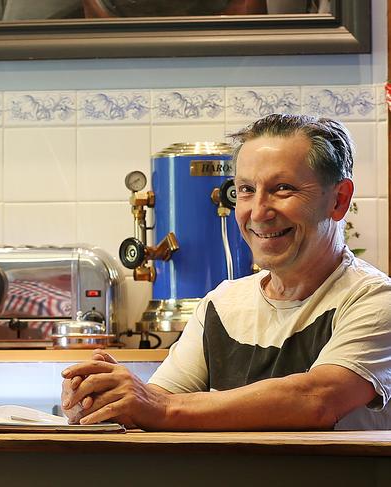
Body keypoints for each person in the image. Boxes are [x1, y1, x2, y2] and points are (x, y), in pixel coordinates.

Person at [61, 113, 391, 431]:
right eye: (246, 190)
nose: (258, 212)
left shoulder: (374, 300)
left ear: (338, 200)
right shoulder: (222, 304)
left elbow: (318, 399)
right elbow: (159, 401)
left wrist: (157, 407)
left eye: (283, 188)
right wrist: (105, 397)